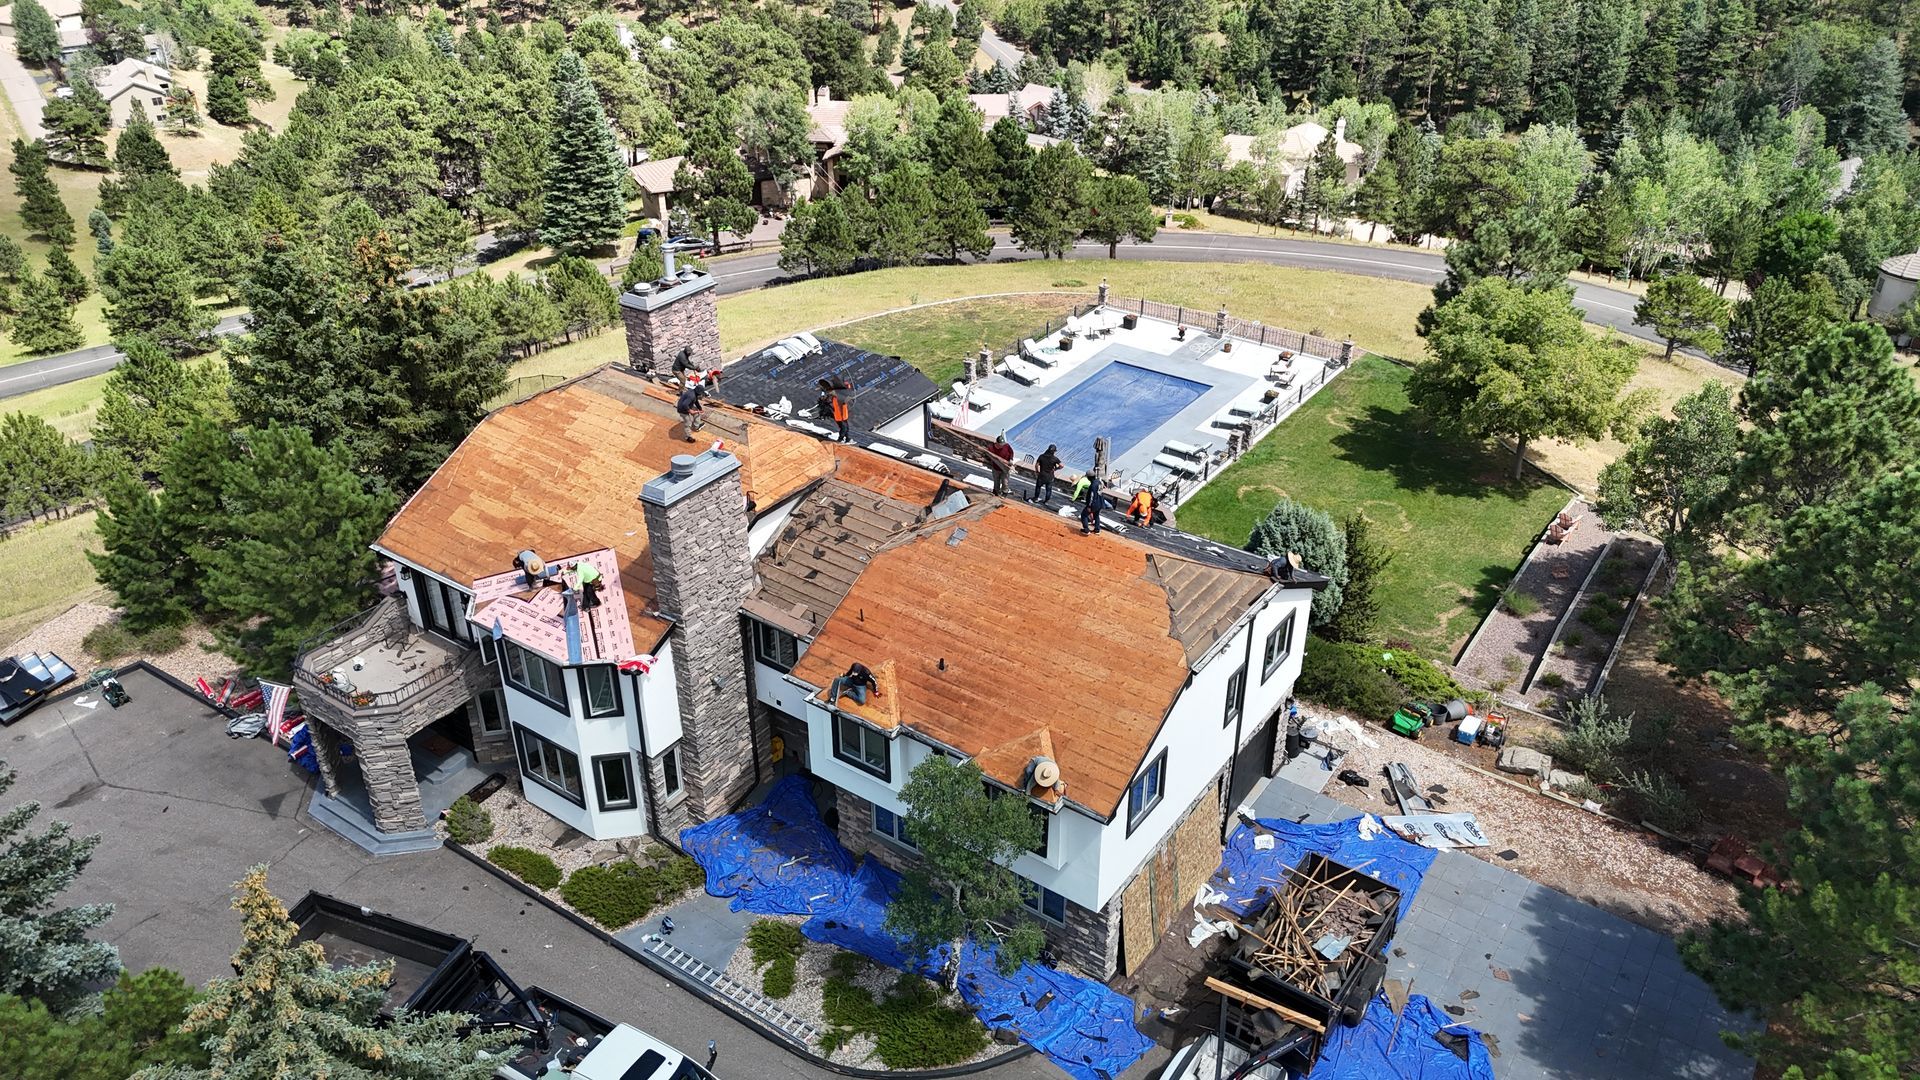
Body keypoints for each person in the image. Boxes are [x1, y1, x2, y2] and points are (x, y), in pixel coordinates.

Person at [816, 378, 852, 442]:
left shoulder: (837, 396)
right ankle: (841, 439)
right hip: (840, 416)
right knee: (844, 428)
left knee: (845, 427)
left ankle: (847, 439)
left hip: (842, 415)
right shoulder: (834, 398)